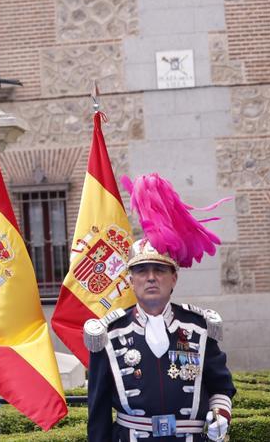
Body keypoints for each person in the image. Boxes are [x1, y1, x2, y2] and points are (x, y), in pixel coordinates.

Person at [84, 174, 235, 442]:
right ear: (131, 280)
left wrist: (220, 415)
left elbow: (221, 387)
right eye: (142, 271)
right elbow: (98, 411)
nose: (151, 277)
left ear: (174, 278)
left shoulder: (198, 327)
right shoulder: (109, 332)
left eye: (159, 270)